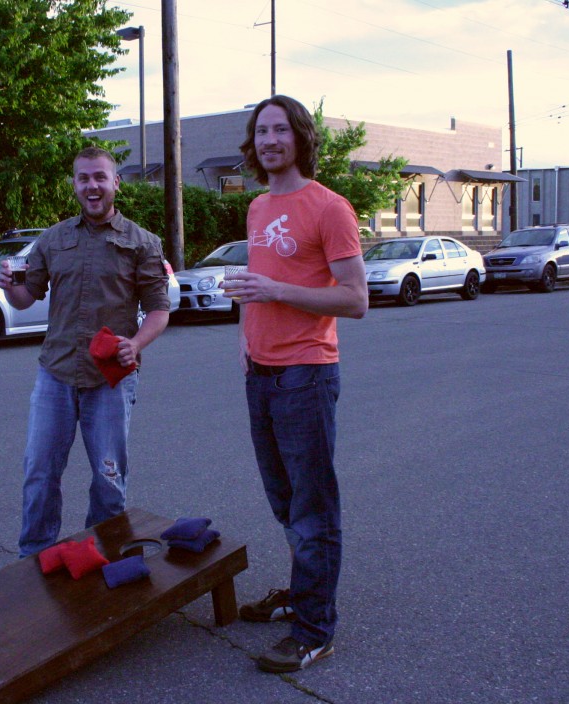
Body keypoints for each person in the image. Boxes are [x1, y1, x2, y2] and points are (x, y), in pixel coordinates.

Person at [223, 95, 368, 673]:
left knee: (313, 507)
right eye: (261, 131)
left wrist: (277, 294)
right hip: (262, 374)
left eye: (281, 129)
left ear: (301, 138)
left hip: (306, 374)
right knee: (285, 501)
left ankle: (315, 630)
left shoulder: (330, 207)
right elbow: (257, 284)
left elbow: (355, 299)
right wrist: (244, 335)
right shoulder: (258, 207)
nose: (270, 140)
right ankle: (303, 593)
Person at [0, 146, 170, 558]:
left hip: (109, 379)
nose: (92, 185)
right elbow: (25, 298)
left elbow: (159, 311)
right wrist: (9, 285)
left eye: (99, 177)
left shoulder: (143, 243)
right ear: (74, 185)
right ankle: (33, 558)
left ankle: (105, 557)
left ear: (115, 183)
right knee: (40, 473)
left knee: (109, 480)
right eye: (83, 178)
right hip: (55, 375)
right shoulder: (53, 240)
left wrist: (136, 343)